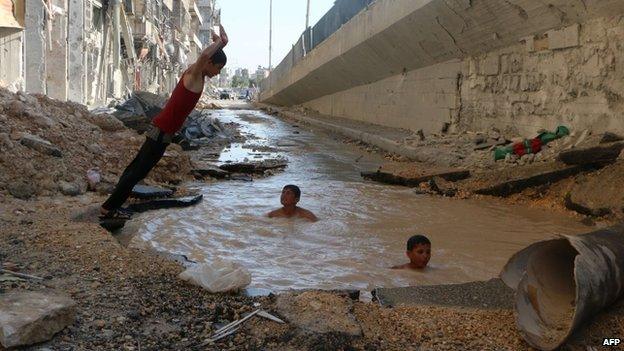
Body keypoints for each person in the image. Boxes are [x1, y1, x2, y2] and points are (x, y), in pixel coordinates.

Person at [100, 26, 229, 219]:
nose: (218, 73)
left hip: (162, 130)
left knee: (135, 169)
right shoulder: (194, 75)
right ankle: (109, 207)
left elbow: (204, 58)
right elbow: (203, 56)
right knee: (138, 172)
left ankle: (112, 205)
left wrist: (218, 45)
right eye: (218, 68)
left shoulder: (195, 74)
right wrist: (220, 43)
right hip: (161, 130)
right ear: (209, 63)